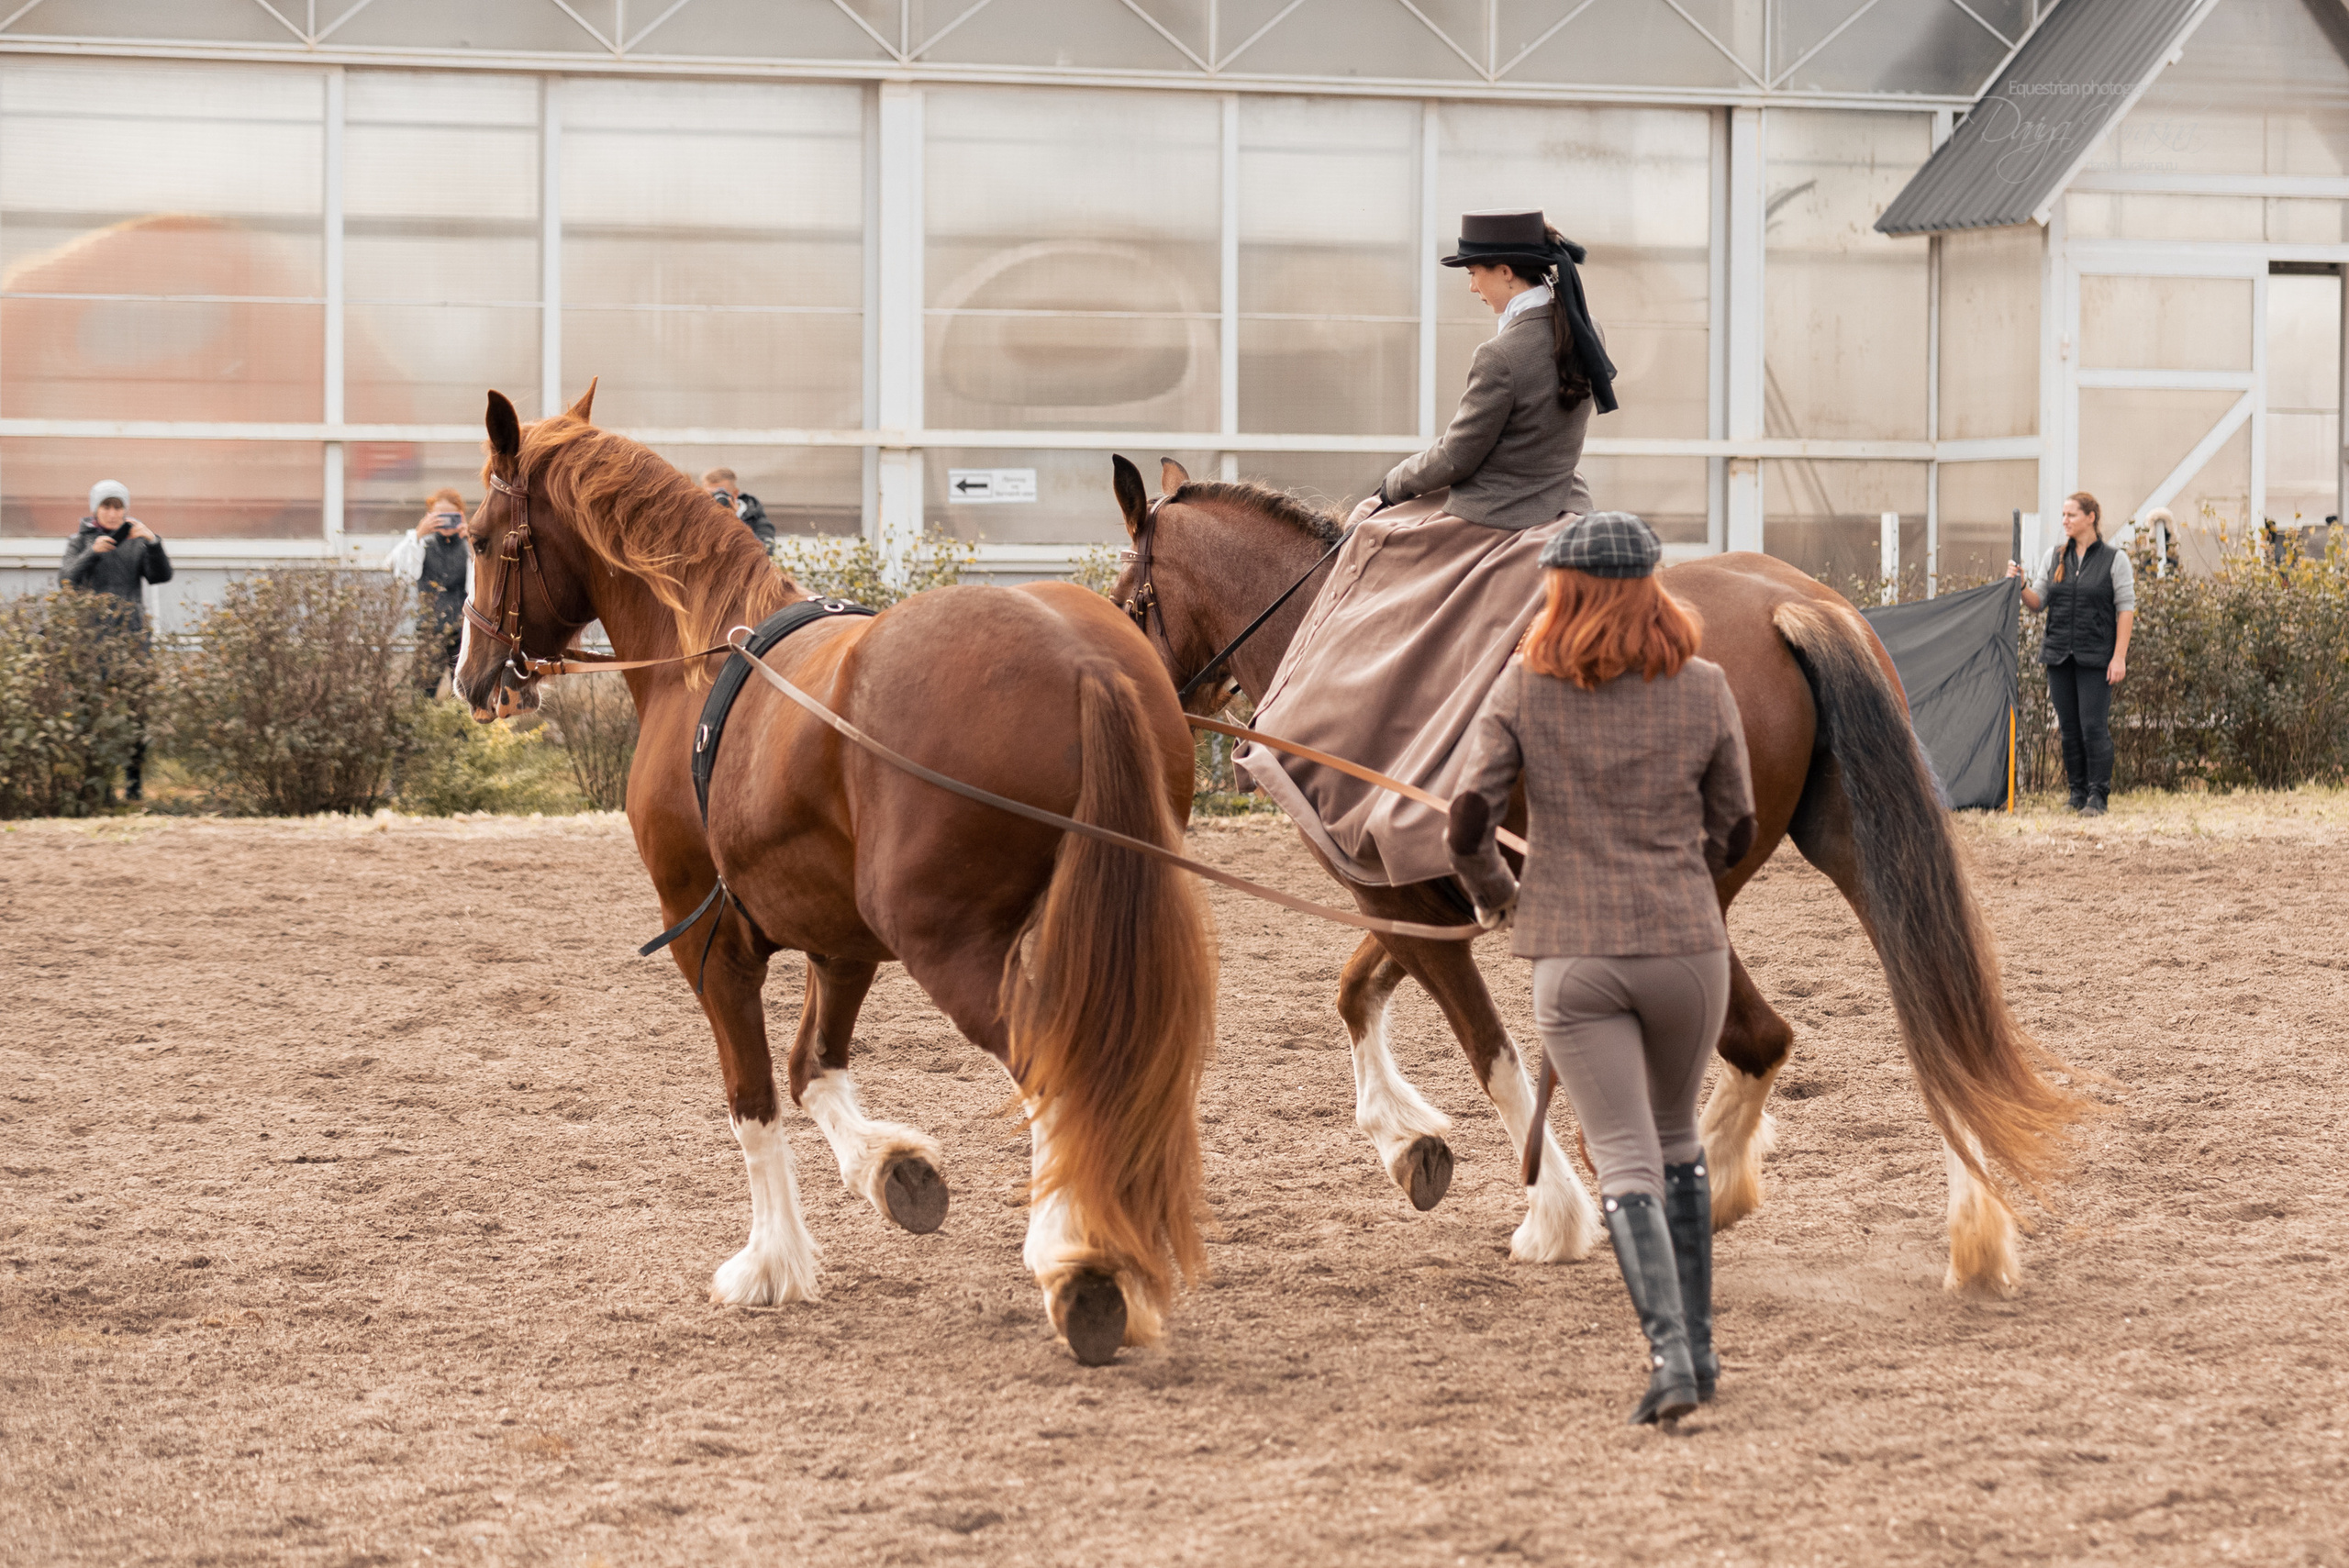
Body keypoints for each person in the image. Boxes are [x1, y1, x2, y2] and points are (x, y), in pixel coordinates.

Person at [1446, 511, 1755, 1427]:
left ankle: (1671, 1356)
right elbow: (1737, 827)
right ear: (1653, 589)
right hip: (1686, 950)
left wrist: (1499, 896)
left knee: (1622, 1153)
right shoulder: (1706, 687)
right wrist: (1684, 875)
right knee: (1677, 1138)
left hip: (1575, 955)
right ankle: (1699, 1347)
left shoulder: (1523, 688)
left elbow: (1465, 823)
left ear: (1563, 591)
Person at [1234, 207, 1617, 886]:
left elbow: (1457, 456)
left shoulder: (1501, 355)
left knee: (1370, 541)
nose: (1471, 286)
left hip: (1494, 516)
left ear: (1506, 272)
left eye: (1475, 272)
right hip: (1561, 502)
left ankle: (1334, 726)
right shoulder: (1578, 332)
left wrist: (1390, 484)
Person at [2007, 491, 2132, 816]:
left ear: (2091, 517)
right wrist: (2021, 585)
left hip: (2096, 657)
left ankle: (2097, 796)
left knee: (2093, 728)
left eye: (2071, 515)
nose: (2065, 521)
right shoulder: (2055, 557)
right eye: (2063, 515)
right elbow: (2037, 603)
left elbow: (2125, 609)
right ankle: (2077, 794)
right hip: (2058, 655)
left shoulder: (2114, 560)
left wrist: (2119, 657)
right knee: (2069, 729)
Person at [61, 479, 172, 801]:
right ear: (95, 509)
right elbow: (66, 580)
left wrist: (154, 543)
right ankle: (97, 782)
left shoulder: (137, 543)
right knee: (91, 709)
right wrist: (92, 553)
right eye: (107, 506)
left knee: (137, 710)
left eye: (118, 507)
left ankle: (133, 782)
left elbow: (160, 576)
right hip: (92, 638)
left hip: (132, 636)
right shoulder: (79, 541)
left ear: (125, 510)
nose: (113, 513)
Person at [384, 488, 471, 694]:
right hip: (430, 627)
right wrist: (418, 533)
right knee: (424, 687)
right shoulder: (420, 544)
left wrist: (473, 540)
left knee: (464, 688)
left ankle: (459, 718)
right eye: (440, 516)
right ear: (429, 516)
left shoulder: (470, 546)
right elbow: (392, 565)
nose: (446, 522)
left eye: (451, 516)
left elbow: (482, 578)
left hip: (464, 627)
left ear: (461, 516)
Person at [702, 467, 775, 549]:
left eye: (721, 494)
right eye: (710, 495)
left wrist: (736, 520)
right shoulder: (700, 519)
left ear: (735, 493)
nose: (716, 500)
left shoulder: (757, 521)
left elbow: (765, 550)